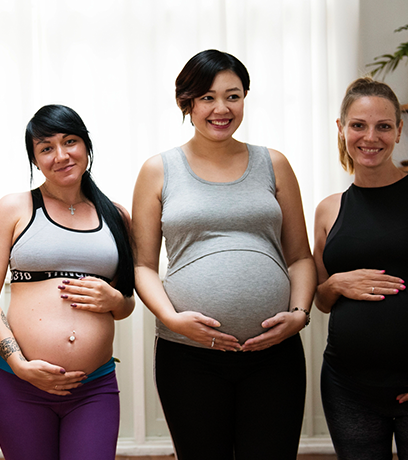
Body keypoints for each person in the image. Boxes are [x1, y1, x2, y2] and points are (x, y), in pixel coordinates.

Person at [131, 49, 316, 460]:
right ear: (188, 103)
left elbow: (301, 256)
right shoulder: (158, 170)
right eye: (207, 97)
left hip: (274, 352)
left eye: (233, 96)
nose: (221, 108)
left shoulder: (275, 164)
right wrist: (171, 318)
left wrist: (300, 316)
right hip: (188, 355)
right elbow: (142, 266)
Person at [0, 104, 135, 460]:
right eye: (46, 147)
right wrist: (18, 362)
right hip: (20, 385)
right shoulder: (14, 209)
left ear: (87, 147)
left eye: (70, 142)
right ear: (34, 159)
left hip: (93, 389)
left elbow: (127, 303)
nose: (60, 155)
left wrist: (114, 300)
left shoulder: (117, 217)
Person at [313, 77, 408, 459]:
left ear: (399, 130)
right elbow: (321, 299)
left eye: (384, 126)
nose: (370, 137)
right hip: (349, 387)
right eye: (359, 125)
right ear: (342, 129)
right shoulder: (328, 210)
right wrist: (338, 283)